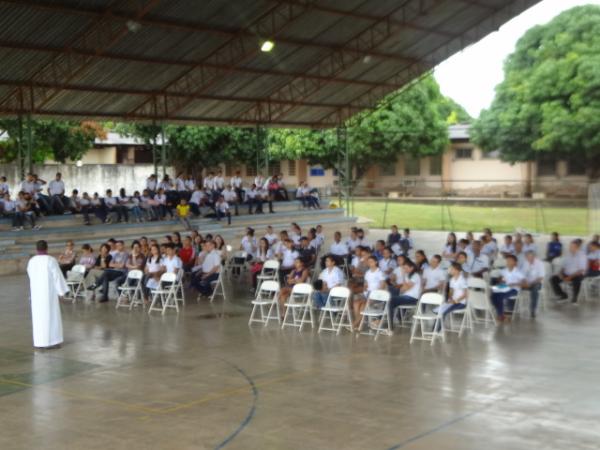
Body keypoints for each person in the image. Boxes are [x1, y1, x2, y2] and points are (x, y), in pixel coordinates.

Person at [26, 240, 68, 349]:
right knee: (51, 316)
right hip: (48, 293)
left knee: (39, 318)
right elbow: (57, 276)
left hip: (36, 293)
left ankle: (40, 342)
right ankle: (53, 341)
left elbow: (30, 275)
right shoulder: (50, 260)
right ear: (47, 248)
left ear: (37, 249)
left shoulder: (32, 261)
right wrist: (61, 291)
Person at [386, 260, 422, 331]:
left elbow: (405, 288)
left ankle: (389, 325)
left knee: (390, 300)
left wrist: (403, 276)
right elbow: (403, 289)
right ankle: (390, 324)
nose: (404, 270)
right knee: (389, 301)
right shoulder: (407, 275)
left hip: (412, 298)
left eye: (406, 268)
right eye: (404, 268)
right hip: (405, 296)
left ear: (411, 268)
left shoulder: (415, 276)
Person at [352, 255, 385, 329]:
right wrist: (365, 287)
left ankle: (355, 324)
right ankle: (359, 323)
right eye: (368, 262)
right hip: (367, 293)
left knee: (364, 305)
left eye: (371, 262)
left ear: (376, 262)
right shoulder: (367, 272)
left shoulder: (380, 272)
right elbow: (366, 283)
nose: (370, 263)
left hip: (376, 295)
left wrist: (375, 294)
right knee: (356, 303)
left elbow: (382, 286)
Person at [491, 255, 525, 321]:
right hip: (504, 287)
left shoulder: (518, 272)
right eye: (507, 261)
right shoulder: (504, 270)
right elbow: (500, 280)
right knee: (492, 293)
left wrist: (514, 284)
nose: (508, 262)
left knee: (499, 296)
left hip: (514, 289)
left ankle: (501, 315)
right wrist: (501, 281)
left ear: (515, 262)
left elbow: (524, 283)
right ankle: (500, 312)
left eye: (510, 261)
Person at [437, 262, 468, 327]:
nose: (449, 270)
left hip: (460, 303)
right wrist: (450, 298)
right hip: (453, 302)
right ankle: (435, 329)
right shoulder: (452, 279)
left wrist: (455, 301)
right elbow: (451, 291)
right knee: (439, 309)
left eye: (451, 269)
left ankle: (436, 331)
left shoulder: (462, 280)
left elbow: (466, 294)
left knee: (443, 311)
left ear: (456, 270)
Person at [522, 250, 545, 318]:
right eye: (527, 257)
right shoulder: (525, 263)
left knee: (535, 290)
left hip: (536, 282)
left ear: (534, 256)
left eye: (531, 257)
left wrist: (531, 283)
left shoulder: (540, 263)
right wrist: (525, 282)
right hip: (527, 283)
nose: (529, 258)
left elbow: (541, 277)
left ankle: (533, 310)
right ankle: (512, 307)